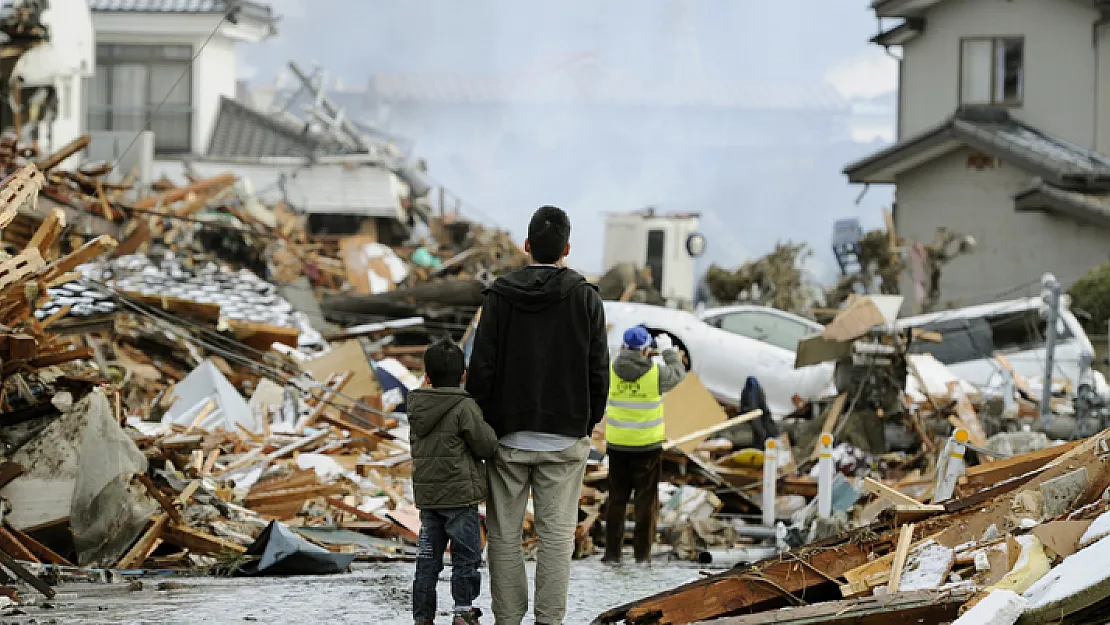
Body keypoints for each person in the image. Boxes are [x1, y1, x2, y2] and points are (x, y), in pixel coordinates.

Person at [466, 205, 609, 625]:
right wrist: (587, 422)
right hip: (565, 439)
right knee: (556, 539)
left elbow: (482, 369)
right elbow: (598, 368)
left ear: (527, 246)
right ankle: (549, 621)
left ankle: (508, 619)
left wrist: (482, 425)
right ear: (566, 248)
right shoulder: (586, 298)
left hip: (507, 438)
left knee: (506, 538)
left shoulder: (498, 298)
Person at [409, 338, 500, 625]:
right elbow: (486, 446)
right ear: (464, 374)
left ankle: (422, 616)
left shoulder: (416, 407)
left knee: (427, 561)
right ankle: (463, 610)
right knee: (465, 558)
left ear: (427, 376)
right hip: (461, 497)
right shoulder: (465, 407)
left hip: (429, 499)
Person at [602, 326, 686, 564]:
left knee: (617, 500)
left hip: (618, 446)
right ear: (646, 350)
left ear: (624, 347)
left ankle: (612, 554)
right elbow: (678, 374)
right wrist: (669, 351)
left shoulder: (610, 370)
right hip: (647, 448)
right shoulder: (656, 374)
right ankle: (642, 555)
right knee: (645, 503)